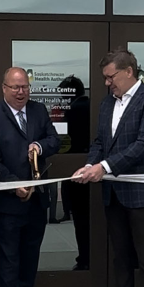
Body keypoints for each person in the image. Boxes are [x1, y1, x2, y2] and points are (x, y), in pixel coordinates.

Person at [73, 49, 144, 287]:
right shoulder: (105, 104)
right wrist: (90, 164)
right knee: (121, 256)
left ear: (129, 72)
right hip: (113, 193)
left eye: (110, 76)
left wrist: (105, 167)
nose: (107, 83)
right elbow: (101, 140)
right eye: (104, 78)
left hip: (142, 194)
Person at [0, 67, 60, 287]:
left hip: (37, 200)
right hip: (8, 203)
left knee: (30, 254)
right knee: (9, 257)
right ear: (4, 88)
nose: (21, 91)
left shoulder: (38, 110)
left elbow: (54, 140)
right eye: (15, 87)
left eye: (24, 86)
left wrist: (40, 146)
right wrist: (14, 184)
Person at [59, 75, 91, 270]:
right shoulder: (92, 106)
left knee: (81, 220)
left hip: (77, 171)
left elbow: (67, 141)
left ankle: (85, 259)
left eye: (64, 93)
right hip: (90, 169)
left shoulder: (74, 110)